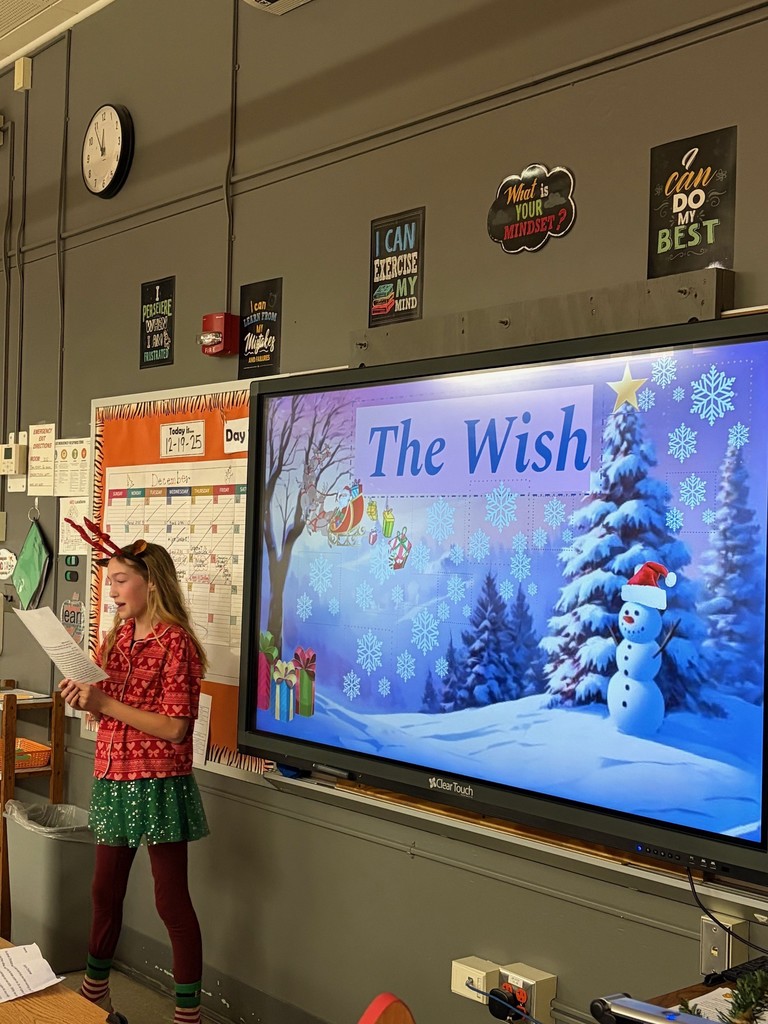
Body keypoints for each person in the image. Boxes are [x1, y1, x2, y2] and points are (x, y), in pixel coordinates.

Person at [60, 538, 208, 1024]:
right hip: (113, 773)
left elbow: (174, 727)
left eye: (121, 580)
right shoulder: (118, 638)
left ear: (151, 583)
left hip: (158, 780)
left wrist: (104, 705)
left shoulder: (176, 642)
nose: (113, 591)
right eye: (112, 581)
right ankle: (94, 992)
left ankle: (188, 1015)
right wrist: (83, 697)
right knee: (105, 891)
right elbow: (106, 708)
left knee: (171, 901)